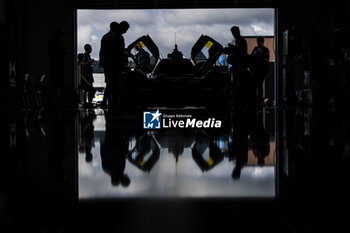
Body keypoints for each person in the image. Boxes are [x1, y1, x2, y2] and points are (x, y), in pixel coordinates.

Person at [99, 21, 130, 108]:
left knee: (109, 83)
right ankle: (115, 103)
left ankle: (106, 102)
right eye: (125, 29)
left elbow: (102, 51)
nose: (125, 31)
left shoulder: (105, 37)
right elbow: (119, 51)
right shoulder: (118, 37)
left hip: (108, 64)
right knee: (115, 84)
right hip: (115, 65)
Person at [251, 37, 270, 105]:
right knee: (254, 84)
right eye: (257, 41)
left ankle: (260, 99)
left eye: (259, 42)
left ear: (262, 42)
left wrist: (259, 60)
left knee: (259, 84)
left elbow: (266, 60)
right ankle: (256, 99)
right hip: (255, 70)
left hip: (262, 70)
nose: (258, 43)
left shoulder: (265, 50)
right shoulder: (255, 49)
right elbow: (251, 57)